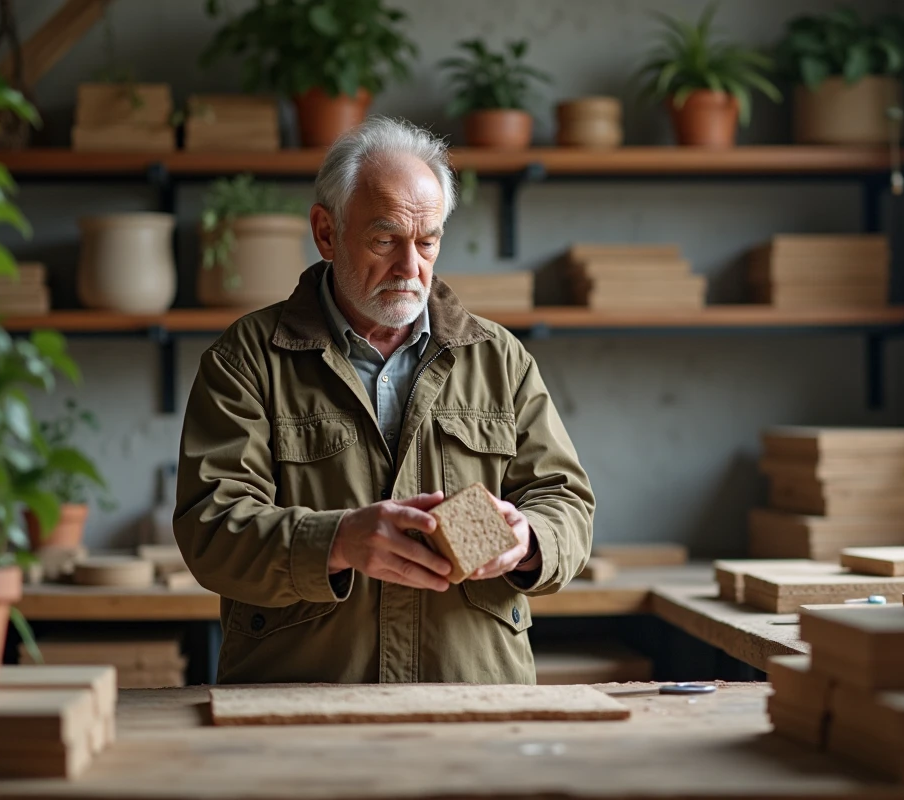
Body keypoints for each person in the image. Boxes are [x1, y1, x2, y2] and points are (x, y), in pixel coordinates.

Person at [174, 116, 595, 684]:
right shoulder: (248, 359)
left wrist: (529, 540)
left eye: (427, 242)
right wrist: (338, 540)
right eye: (384, 240)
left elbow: (565, 501)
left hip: (474, 701)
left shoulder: (499, 359)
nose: (410, 267)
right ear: (326, 232)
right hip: (302, 702)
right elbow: (211, 526)